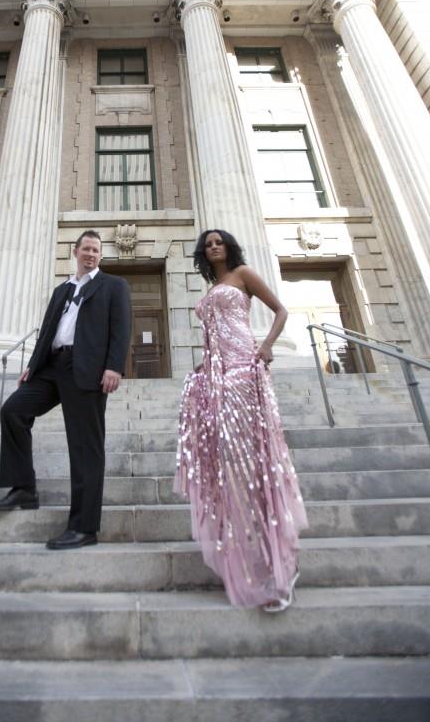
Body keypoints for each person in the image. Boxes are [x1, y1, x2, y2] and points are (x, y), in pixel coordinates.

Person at [175, 229, 307, 611]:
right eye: (207, 244)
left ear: (229, 246)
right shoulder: (213, 285)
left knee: (254, 467)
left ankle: (278, 566)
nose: (213, 246)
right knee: (230, 470)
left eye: (219, 241)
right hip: (217, 380)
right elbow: (212, 335)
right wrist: (204, 366)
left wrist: (265, 347)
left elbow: (281, 311)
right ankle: (254, 560)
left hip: (244, 373)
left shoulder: (244, 274)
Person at [0, 230, 131, 550]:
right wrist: (32, 366)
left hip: (88, 371)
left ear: (100, 256)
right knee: (13, 411)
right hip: (51, 367)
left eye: (96, 250)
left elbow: (122, 327)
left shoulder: (113, 286)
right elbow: (47, 332)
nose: (91, 254)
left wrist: (114, 366)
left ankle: (84, 528)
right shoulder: (61, 290)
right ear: (75, 251)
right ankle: (24, 489)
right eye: (86, 249)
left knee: (85, 448)